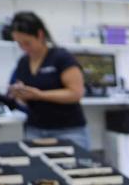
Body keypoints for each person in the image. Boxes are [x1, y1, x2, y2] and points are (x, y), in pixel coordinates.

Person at [7, 12, 90, 150]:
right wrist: (19, 95)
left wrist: (40, 95)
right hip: (35, 129)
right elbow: (24, 100)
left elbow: (76, 93)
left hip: (68, 131)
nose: (23, 48)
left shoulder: (61, 58)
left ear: (40, 35)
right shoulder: (23, 62)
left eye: (27, 43)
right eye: (19, 44)